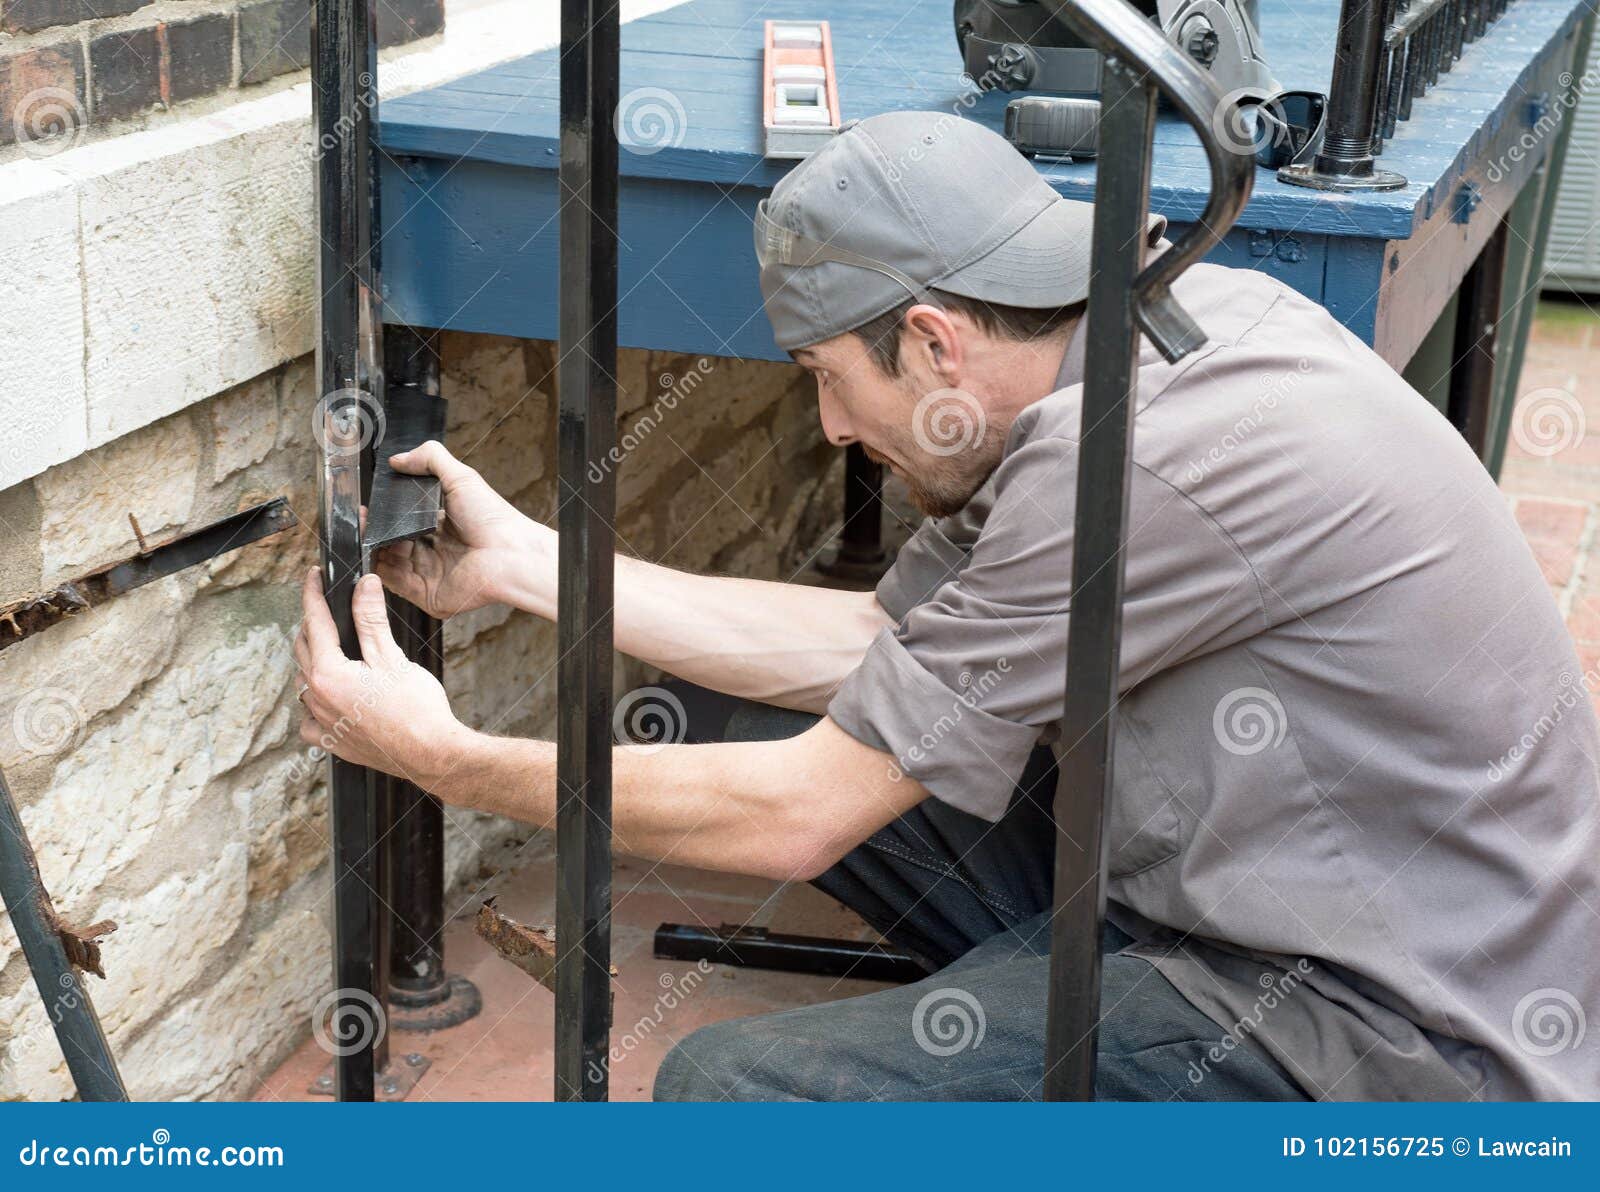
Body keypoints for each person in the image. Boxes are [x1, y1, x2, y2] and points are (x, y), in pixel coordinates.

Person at [294, 111, 1599, 1101]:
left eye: (823, 376)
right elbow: (876, 645)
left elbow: (805, 818)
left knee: (730, 1094)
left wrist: (437, 757)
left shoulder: (1134, 461)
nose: (831, 427)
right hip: (1249, 880)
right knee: (704, 721)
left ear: (931, 340)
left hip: (1390, 1039)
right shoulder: (1140, 334)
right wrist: (529, 563)